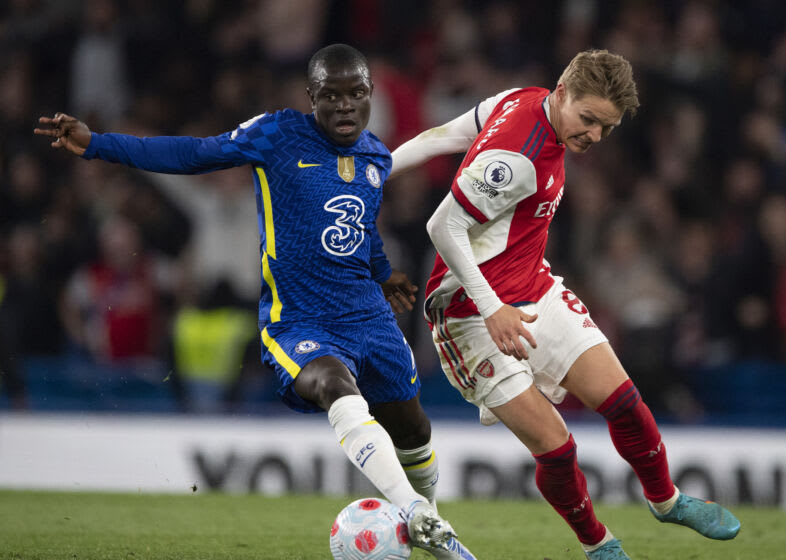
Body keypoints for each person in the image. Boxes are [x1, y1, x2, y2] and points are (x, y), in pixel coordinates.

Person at [34, 43, 475, 560]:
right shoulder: (277, 133)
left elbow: (357, 226)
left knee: (413, 428)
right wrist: (97, 145)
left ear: (371, 95)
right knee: (334, 384)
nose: (344, 106)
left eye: (356, 94)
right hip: (300, 320)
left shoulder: (376, 155)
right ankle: (416, 514)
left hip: (368, 316)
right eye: (330, 96)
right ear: (311, 97)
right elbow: (193, 155)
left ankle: (433, 527)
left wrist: (383, 272)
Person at [390, 49, 740, 560]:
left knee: (624, 402)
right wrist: (491, 307)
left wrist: (380, 167)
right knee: (558, 447)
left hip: (533, 289)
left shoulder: (520, 100)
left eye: (607, 127)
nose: (595, 136)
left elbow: (447, 136)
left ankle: (666, 502)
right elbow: (443, 225)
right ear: (562, 92)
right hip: (471, 315)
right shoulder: (518, 158)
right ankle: (599, 545)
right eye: (589, 119)